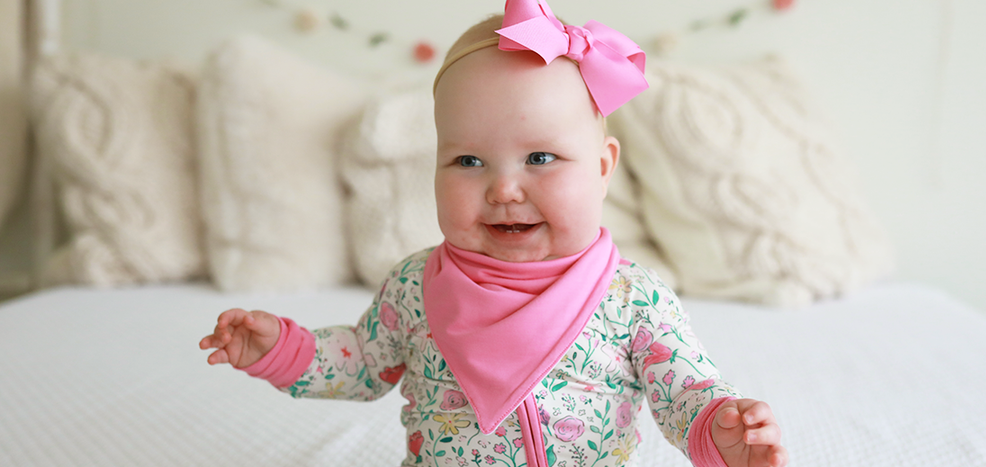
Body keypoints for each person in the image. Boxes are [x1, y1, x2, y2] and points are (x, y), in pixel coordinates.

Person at [199, 1, 788, 466]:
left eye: (540, 157)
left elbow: (683, 392)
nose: (504, 189)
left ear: (603, 168)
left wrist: (723, 429)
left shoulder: (634, 300)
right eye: (469, 162)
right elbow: (358, 363)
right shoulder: (414, 286)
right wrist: (279, 347)